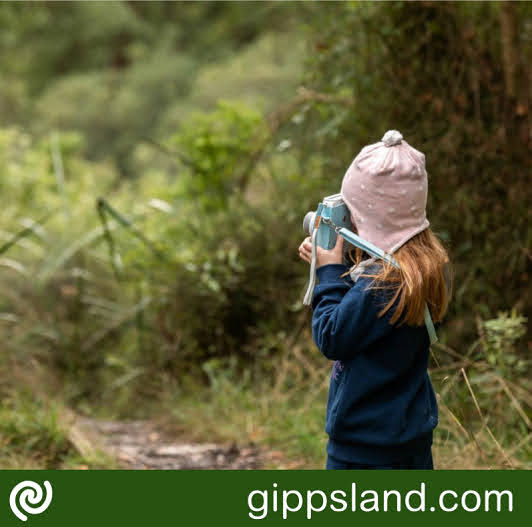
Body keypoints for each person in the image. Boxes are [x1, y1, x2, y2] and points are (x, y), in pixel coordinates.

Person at [298, 130, 451, 470]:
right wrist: (335, 269)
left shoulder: (379, 285)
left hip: (361, 447)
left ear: (365, 219)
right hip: (409, 439)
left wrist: (328, 273)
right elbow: (370, 318)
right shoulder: (423, 268)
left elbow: (332, 337)